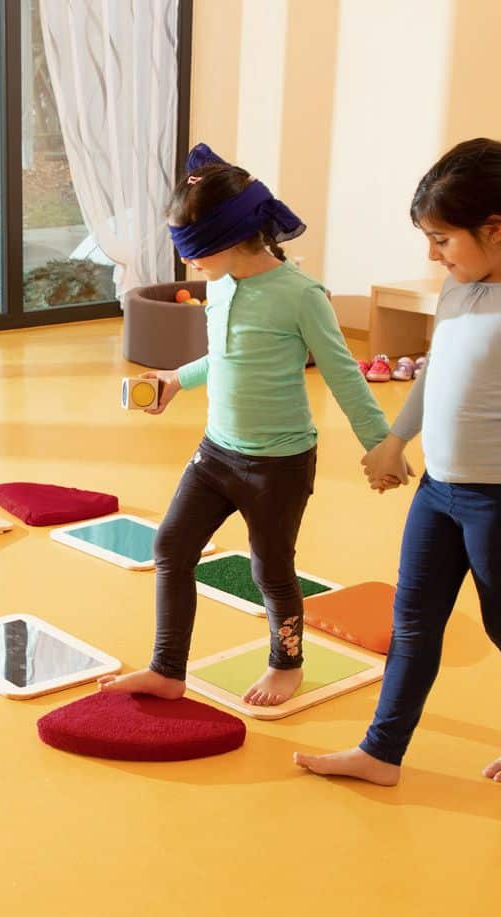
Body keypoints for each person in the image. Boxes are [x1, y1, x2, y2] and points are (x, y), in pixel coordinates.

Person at [296, 138, 501, 786]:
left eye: (442, 239)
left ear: (494, 228)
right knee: (411, 623)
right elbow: (437, 373)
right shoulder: (461, 288)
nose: (434, 255)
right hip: (438, 491)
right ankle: (381, 753)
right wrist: (396, 439)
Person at [99, 143, 397, 708]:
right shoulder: (221, 284)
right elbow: (226, 357)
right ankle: (167, 669)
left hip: (277, 465)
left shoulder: (301, 295)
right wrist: (176, 380)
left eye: (193, 251)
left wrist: (380, 445)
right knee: (171, 547)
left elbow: (344, 375)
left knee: (271, 571)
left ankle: (287, 663)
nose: (188, 263)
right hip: (216, 453)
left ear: (232, 237)